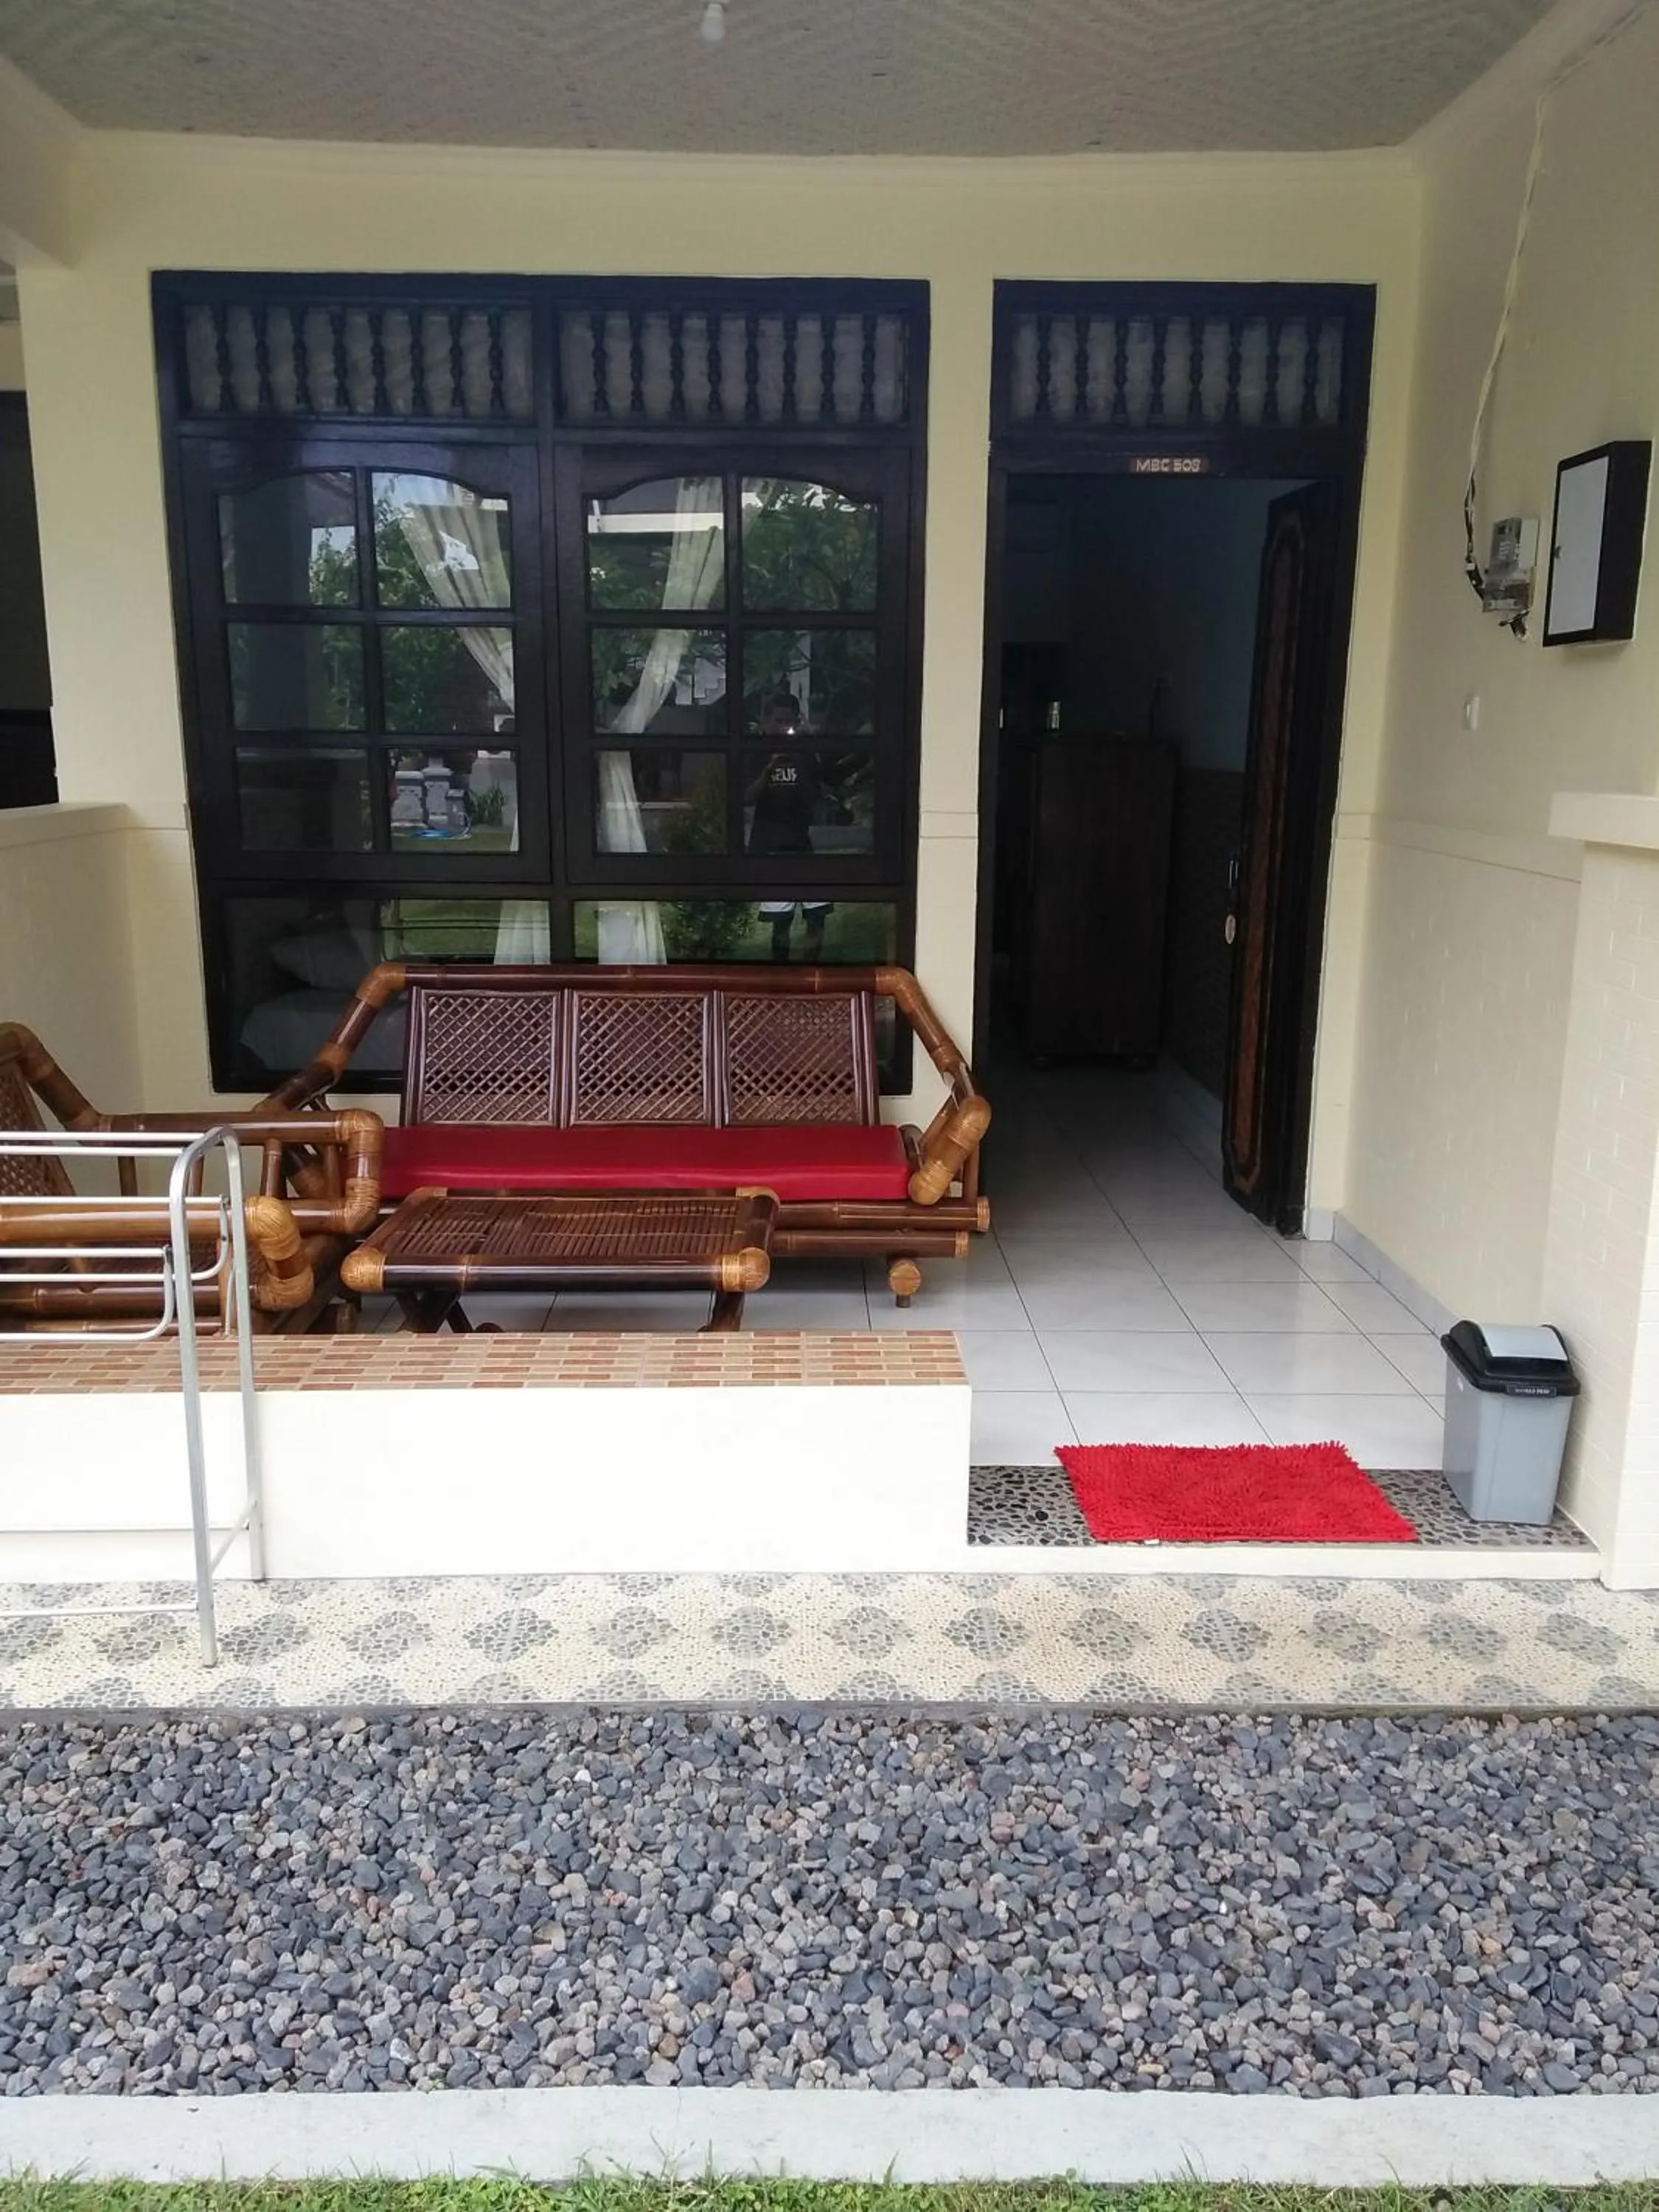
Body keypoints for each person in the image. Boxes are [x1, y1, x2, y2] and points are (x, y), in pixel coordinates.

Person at [746, 689, 833, 961]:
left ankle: (811, 977)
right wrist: (768, 771)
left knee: (817, 916)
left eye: (791, 722)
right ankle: (782, 977)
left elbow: (816, 796)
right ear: (766, 720)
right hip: (770, 845)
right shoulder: (755, 752)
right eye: (780, 721)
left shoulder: (804, 753)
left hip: (802, 844)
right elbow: (745, 798)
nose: (786, 728)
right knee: (780, 921)